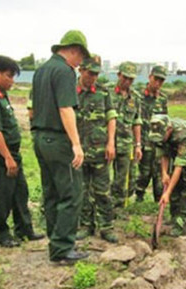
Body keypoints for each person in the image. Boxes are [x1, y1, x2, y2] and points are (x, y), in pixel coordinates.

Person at [31, 30, 90, 263]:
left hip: (40, 138)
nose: (80, 64)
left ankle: (56, 242)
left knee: (52, 193)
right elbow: (65, 109)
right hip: (58, 141)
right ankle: (63, 248)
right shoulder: (65, 71)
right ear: (74, 50)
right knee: (72, 193)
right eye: (81, 58)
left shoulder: (41, 70)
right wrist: (76, 144)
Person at [0, 55, 44, 247]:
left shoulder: (0, 94)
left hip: (11, 153)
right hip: (0, 155)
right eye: (9, 76)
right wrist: (7, 157)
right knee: (4, 195)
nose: (12, 81)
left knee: (20, 192)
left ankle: (24, 229)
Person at [75, 55, 119, 243]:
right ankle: (86, 225)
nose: (92, 77)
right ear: (81, 70)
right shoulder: (70, 92)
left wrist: (111, 143)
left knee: (102, 191)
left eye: (95, 74)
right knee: (83, 190)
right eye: (89, 73)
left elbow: (111, 117)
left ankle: (106, 227)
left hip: (100, 150)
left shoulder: (103, 92)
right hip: (79, 151)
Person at [149, 115, 186, 235]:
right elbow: (164, 154)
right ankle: (174, 217)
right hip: (175, 149)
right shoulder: (158, 134)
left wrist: (167, 193)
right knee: (173, 184)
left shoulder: (183, 135)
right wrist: (164, 174)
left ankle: (183, 220)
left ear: (168, 130)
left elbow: (179, 167)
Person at [110, 62, 142, 210]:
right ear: (118, 75)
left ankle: (118, 208)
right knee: (101, 177)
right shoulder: (107, 92)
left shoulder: (135, 97)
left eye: (131, 79)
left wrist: (138, 145)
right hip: (106, 142)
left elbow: (137, 121)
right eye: (125, 77)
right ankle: (101, 206)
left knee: (122, 178)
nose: (127, 81)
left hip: (125, 143)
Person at [135, 65, 168, 202]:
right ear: (150, 77)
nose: (158, 83)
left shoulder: (162, 99)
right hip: (142, 141)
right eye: (156, 79)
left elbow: (165, 120)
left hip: (157, 143)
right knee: (144, 173)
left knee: (158, 173)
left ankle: (158, 199)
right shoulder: (139, 96)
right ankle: (139, 197)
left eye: (161, 80)